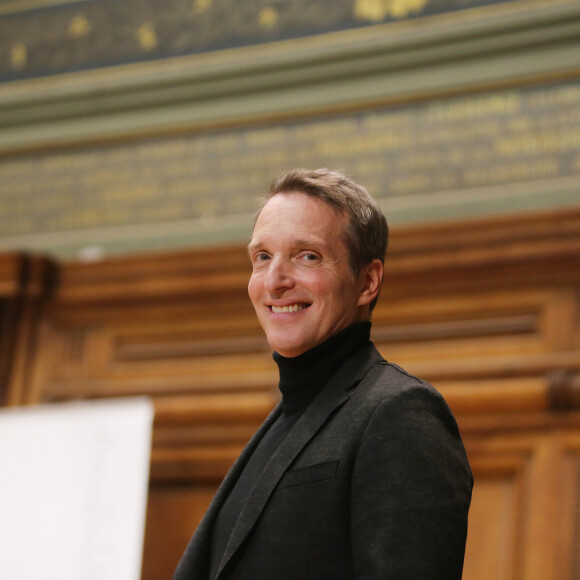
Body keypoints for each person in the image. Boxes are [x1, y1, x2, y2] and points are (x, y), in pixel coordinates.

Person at [173, 168, 473, 580]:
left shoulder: (401, 412)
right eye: (262, 257)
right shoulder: (288, 418)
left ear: (367, 281)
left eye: (306, 256)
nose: (274, 281)